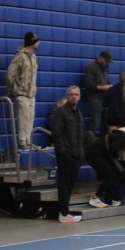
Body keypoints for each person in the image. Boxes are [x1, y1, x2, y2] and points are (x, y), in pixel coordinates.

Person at [47, 85, 84, 223]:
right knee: (64, 184)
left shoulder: (78, 113)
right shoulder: (61, 112)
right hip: (66, 155)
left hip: (77, 154)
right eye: (71, 94)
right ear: (67, 96)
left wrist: (80, 152)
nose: (74, 96)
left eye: (76, 94)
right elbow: (57, 134)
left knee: (70, 184)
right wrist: (63, 151)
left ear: (79, 97)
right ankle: (62, 212)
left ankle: (65, 211)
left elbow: (80, 134)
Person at [6, 31, 39, 150]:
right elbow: (10, 74)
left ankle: (29, 141)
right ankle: (22, 141)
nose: (39, 43)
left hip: (31, 93)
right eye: (37, 41)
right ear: (32, 42)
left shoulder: (34, 57)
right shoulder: (20, 56)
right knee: (23, 118)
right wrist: (13, 89)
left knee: (30, 118)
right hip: (21, 92)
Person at [84, 129, 125, 209]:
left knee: (110, 175)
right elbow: (114, 147)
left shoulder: (116, 136)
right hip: (95, 155)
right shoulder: (123, 138)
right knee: (110, 176)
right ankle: (95, 197)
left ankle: (108, 200)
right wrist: (116, 157)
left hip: (95, 154)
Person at [84, 50, 112, 135]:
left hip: (104, 99)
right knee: (95, 122)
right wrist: (103, 87)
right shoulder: (91, 67)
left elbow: (107, 81)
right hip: (94, 98)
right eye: (106, 61)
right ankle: (91, 141)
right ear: (101, 58)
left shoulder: (105, 69)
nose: (108, 63)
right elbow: (88, 83)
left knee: (107, 123)